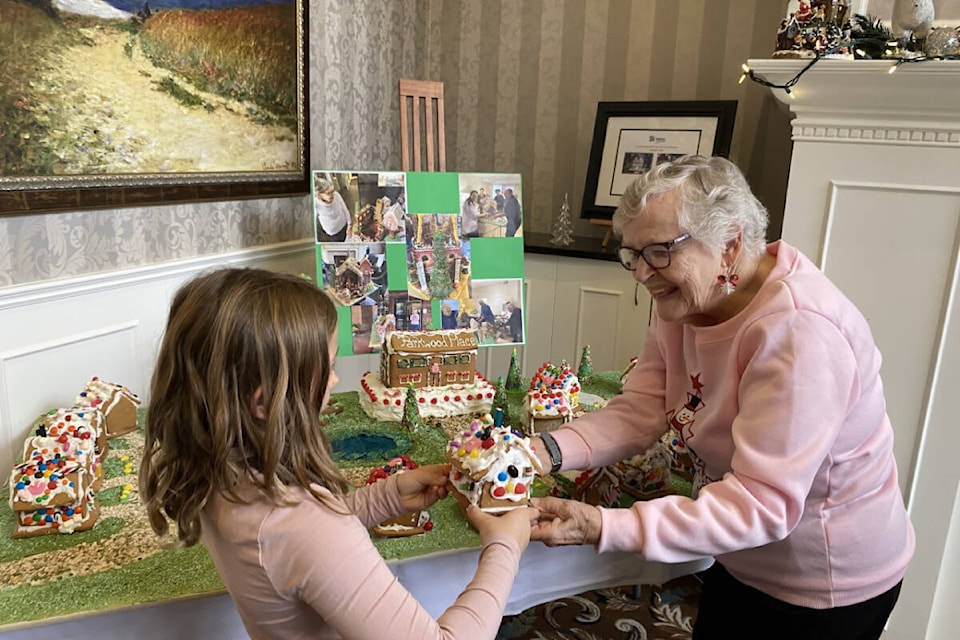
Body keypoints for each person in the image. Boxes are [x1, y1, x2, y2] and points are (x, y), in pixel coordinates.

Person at [527, 155, 914, 640]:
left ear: (730, 245)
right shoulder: (684, 300)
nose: (642, 275)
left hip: (823, 579)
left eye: (659, 251)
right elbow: (642, 408)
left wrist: (603, 526)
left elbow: (761, 503)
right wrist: (540, 452)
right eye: (632, 255)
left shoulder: (800, 330)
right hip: (741, 555)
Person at [140, 268, 538, 640]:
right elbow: (309, 537)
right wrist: (505, 545)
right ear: (264, 402)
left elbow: (294, 549)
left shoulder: (218, 470)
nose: (334, 380)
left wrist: (387, 496)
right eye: (327, 367)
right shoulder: (305, 527)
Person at [315, 177, 351, 243]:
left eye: (332, 191)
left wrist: (349, 225)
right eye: (328, 193)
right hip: (333, 233)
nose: (332, 195)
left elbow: (345, 210)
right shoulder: (316, 203)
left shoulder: (336, 195)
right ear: (319, 195)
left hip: (344, 225)